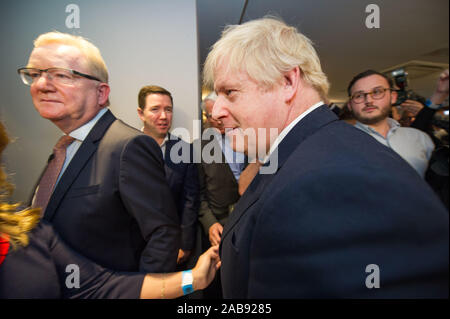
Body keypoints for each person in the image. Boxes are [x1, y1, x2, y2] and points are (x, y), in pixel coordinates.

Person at [204, 17, 449, 298]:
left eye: (229, 92)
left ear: (287, 81)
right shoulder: (301, 155)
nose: (217, 111)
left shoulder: (333, 181)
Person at [17, 31, 180, 273]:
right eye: (34, 74)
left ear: (101, 93)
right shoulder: (64, 148)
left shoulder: (128, 146)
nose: (41, 85)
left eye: (60, 75)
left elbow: (163, 235)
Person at [0, 121, 220, 298]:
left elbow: (98, 285)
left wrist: (193, 279)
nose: (43, 85)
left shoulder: (29, 231)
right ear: (141, 113)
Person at [137, 85, 199, 267]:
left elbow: (190, 199)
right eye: (155, 109)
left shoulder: (184, 149)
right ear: (141, 113)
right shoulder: (125, 147)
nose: (163, 116)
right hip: (132, 244)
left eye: (168, 109)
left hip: (171, 246)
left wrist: (185, 244)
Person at [347, 69, 435, 178]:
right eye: (359, 95)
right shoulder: (342, 144)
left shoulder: (419, 137)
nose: (368, 100)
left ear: (393, 97)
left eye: (377, 92)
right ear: (350, 105)